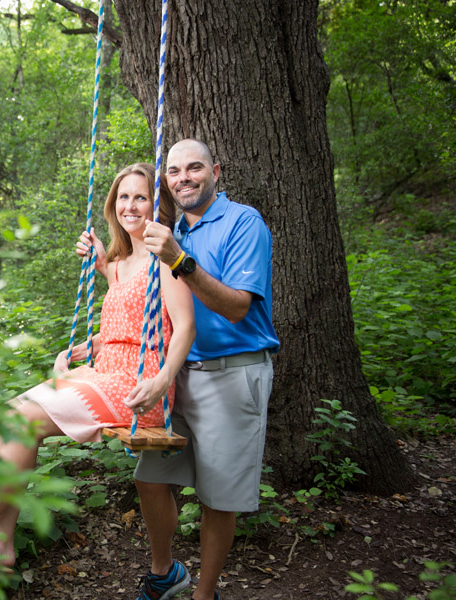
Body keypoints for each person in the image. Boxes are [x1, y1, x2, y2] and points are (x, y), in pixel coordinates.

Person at [0, 163, 196, 573]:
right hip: (103, 373)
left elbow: (183, 327)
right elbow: (128, 323)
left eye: (141, 196)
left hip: (137, 386)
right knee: (10, 413)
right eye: (124, 197)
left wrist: (162, 378)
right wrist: (83, 347)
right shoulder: (120, 264)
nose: (131, 205)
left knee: (24, 420)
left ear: (156, 204)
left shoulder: (167, 258)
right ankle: (2, 542)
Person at [135, 139, 280, 600]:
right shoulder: (174, 229)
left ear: (215, 171)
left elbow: (237, 307)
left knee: (218, 499)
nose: (184, 178)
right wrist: (100, 259)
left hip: (232, 375)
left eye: (194, 168)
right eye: (174, 171)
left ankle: (205, 595)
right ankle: (166, 574)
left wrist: (179, 259)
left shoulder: (243, 222)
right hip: (179, 377)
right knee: (150, 478)